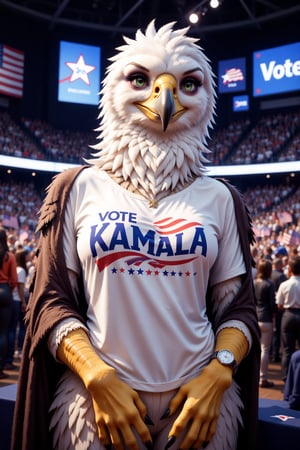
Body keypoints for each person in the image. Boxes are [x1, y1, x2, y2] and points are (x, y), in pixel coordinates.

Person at [12, 21, 260, 450]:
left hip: (200, 404)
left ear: (208, 98)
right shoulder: (78, 187)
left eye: (187, 84)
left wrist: (220, 373)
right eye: (141, 80)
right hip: (93, 401)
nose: (164, 98)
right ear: (111, 91)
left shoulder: (221, 198)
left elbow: (237, 311)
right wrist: (95, 374)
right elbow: (52, 303)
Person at [254, 259, 277, 387]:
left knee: (256, 349)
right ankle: (262, 378)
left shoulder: (253, 282)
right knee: (265, 350)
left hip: (255, 318)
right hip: (266, 319)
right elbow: (272, 304)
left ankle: (254, 376)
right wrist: (274, 314)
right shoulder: (269, 284)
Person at [276, 256, 300, 380]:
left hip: (288, 315)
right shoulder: (284, 283)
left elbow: (279, 304)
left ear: (289, 269)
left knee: (286, 349)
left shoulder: (284, 284)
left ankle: (287, 376)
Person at [5, 248, 28, 369]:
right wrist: (24, 302)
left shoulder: (17, 268)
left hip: (11, 299)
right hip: (16, 301)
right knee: (13, 329)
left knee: (10, 329)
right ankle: (11, 357)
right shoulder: (21, 270)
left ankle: (8, 358)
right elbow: (18, 286)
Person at [0, 228, 18, 379]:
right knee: (3, 332)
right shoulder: (10, 256)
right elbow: (14, 280)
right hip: (5, 291)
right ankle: (1, 367)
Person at [270, 258, 287, 362]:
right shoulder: (281, 276)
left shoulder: (269, 273)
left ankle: (272, 351)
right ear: (279, 265)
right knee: (277, 331)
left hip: (269, 308)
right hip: (278, 307)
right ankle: (275, 353)